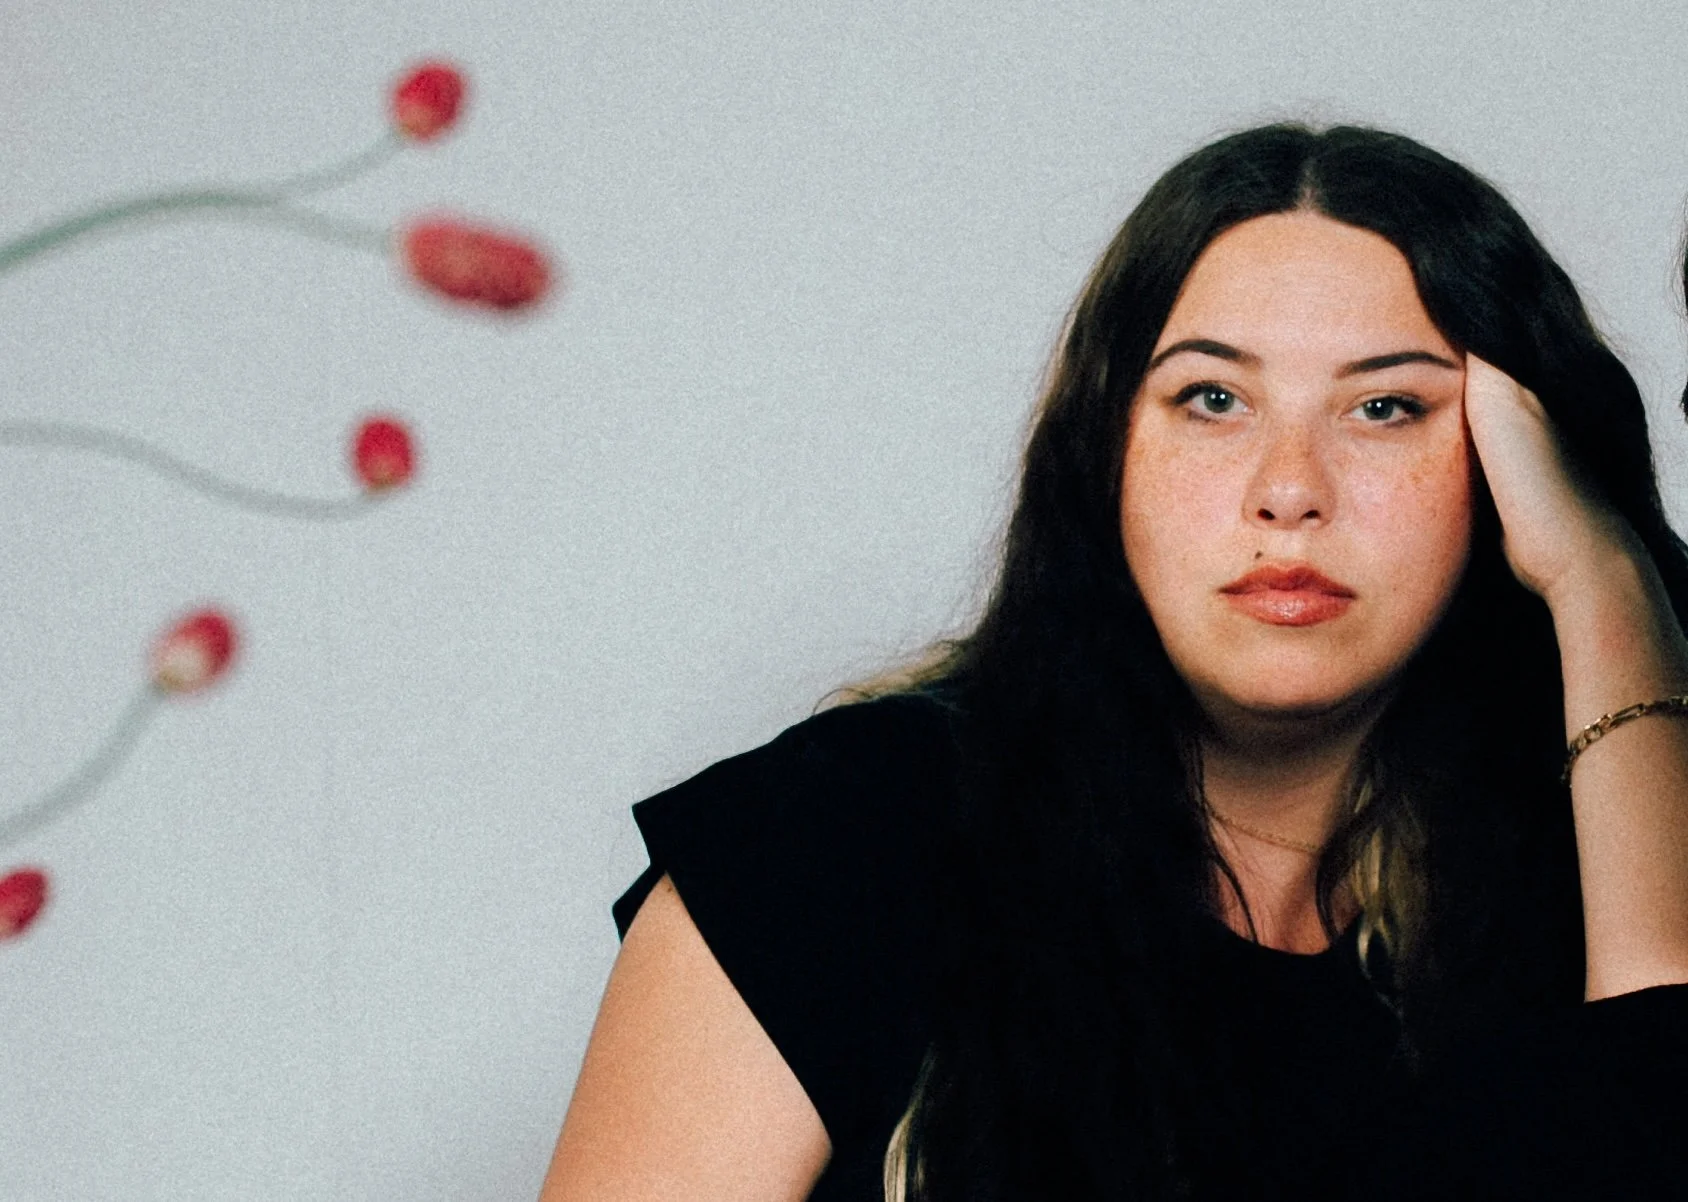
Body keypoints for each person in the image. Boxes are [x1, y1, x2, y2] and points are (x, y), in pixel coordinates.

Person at [537, 123, 1688, 1200]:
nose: (1288, 488)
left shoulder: (1591, 870)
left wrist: (1604, 588)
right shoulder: (833, 840)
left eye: (1384, 406)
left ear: (1513, 463)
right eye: (1211, 398)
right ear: (1105, 450)